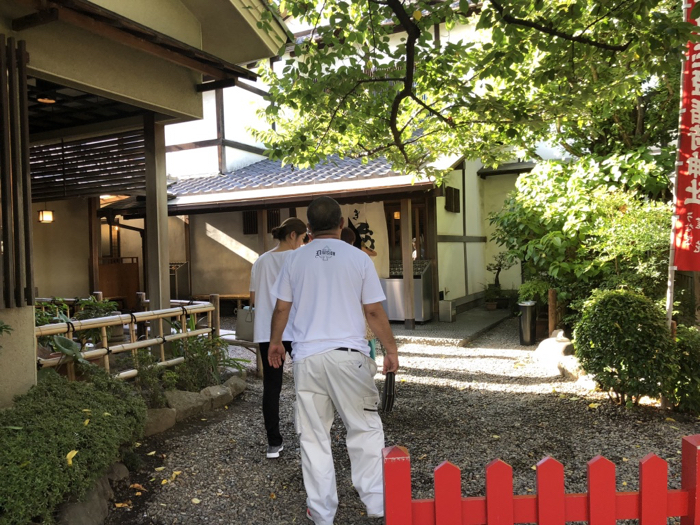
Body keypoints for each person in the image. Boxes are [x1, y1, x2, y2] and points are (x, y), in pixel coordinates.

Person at [269, 196, 399, 525]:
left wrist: (275, 342)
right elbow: (373, 311)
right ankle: (376, 502)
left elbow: (282, 308)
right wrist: (391, 350)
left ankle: (322, 512)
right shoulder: (358, 258)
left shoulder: (294, 260)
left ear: (308, 227)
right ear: (342, 224)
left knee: (313, 436)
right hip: (349, 357)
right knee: (364, 429)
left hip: (308, 359)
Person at [249, 217, 307, 459]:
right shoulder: (300, 258)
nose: (303, 243)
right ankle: (309, 438)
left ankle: (274, 443)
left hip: (267, 331)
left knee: (272, 387)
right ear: (293, 235)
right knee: (306, 385)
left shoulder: (261, 261)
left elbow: (253, 299)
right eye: (303, 238)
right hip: (298, 330)